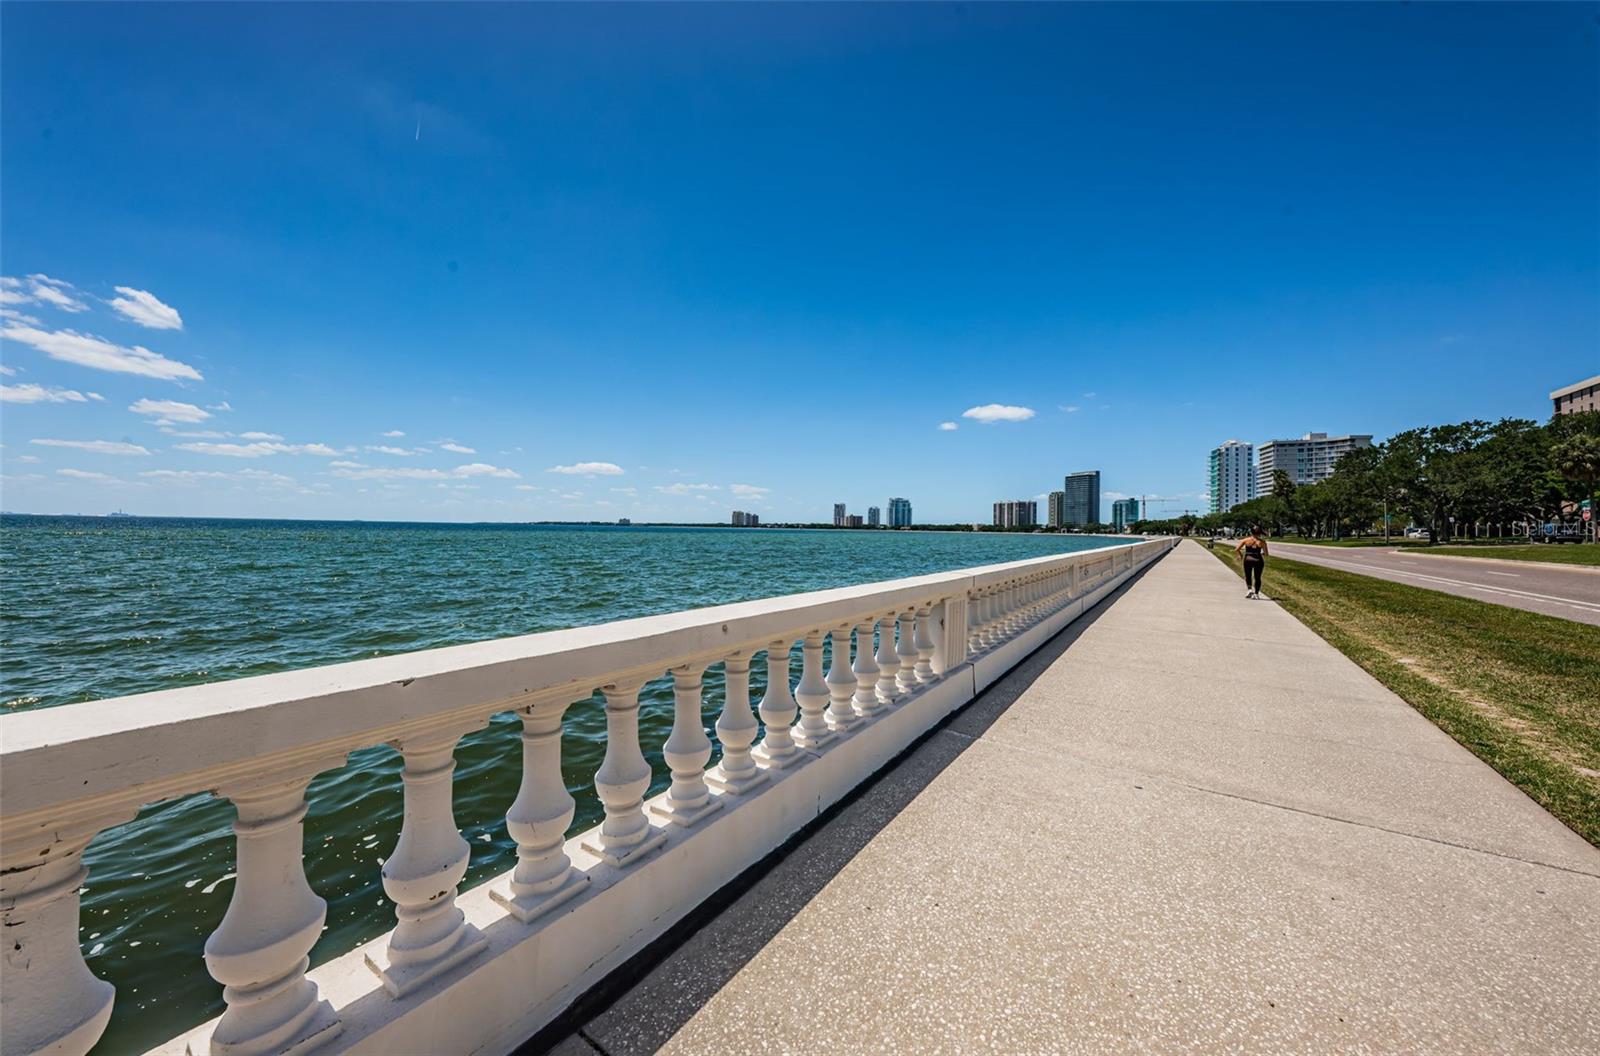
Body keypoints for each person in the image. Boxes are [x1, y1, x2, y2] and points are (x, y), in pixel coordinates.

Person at [1235, 526, 1268, 598]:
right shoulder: (1262, 542)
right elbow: (1266, 554)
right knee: (1257, 577)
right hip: (1258, 560)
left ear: (1251, 532)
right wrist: (1260, 553)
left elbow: (1237, 549)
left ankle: (1249, 590)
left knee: (1248, 575)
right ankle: (1256, 594)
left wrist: (1240, 556)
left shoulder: (1246, 540)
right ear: (1259, 533)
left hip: (1248, 559)